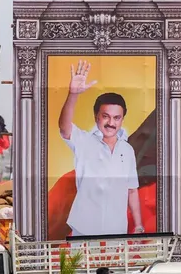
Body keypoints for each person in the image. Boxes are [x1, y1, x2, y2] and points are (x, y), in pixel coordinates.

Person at [58, 60, 144, 236]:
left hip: (117, 231)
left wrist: (138, 224)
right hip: (84, 229)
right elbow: (65, 128)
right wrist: (73, 94)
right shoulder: (84, 141)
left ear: (122, 120)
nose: (111, 123)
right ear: (96, 116)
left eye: (116, 118)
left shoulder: (127, 150)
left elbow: (132, 190)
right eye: (105, 116)